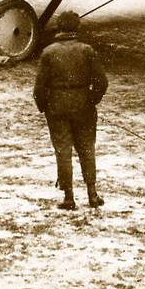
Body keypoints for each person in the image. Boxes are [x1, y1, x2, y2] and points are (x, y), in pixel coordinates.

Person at [33, 11, 108, 210]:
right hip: (83, 105)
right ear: (77, 28)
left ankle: (68, 197)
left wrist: (43, 106)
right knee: (86, 149)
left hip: (57, 106)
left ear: (59, 27)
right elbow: (102, 81)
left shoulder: (49, 52)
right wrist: (91, 99)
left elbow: (39, 87)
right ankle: (92, 195)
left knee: (63, 150)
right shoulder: (87, 50)